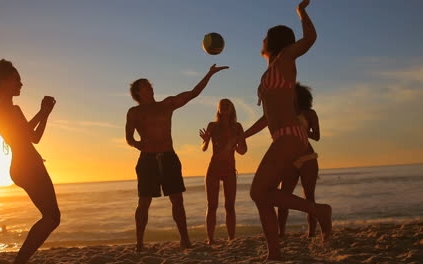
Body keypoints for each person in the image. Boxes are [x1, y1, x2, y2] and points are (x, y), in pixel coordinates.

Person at [242, 0, 332, 260]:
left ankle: (319, 211)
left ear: (273, 42)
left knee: (259, 191)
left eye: (265, 37)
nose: (261, 40)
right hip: (283, 136)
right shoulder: (271, 70)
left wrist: (301, 12)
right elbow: (267, 117)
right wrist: (242, 135)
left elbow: (310, 38)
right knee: (263, 194)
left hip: (291, 136)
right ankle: (275, 254)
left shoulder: (284, 59)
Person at [125, 64, 228, 251]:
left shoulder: (167, 104)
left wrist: (210, 73)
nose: (150, 87)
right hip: (147, 159)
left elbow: (193, 93)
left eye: (150, 85)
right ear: (138, 92)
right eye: (145, 86)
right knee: (144, 202)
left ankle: (185, 239)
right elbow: (129, 137)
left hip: (169, 157)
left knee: (177, 200)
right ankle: (139, 243)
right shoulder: (134, 112)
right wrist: (136, 144)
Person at [0, 59, 60, 264]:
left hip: (31, 163)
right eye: (16, 79)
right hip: (25, 166)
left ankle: (21, 260)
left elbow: (34, 138)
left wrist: (45, 115)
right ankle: (20, 261)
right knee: (52, 217)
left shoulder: (16, 110)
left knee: (52, 218)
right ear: (2, 82)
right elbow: (22, 133)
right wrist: (42, 112)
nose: (21, 83)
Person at [199, 99, 247, 244]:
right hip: (213, 169)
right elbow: (203, 148)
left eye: (228, 105)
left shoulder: (237, 127)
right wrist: (206, 141)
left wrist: (234, 145)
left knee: (230, 206)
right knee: (212, 205)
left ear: (232, 109)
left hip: (230, 170)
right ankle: (210, 239)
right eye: (222, 105)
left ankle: (231, 238)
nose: (225, 107)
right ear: (218, 109)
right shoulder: (212, 126)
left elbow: (243, 150)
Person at [277, 82, 320, 238]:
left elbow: (317, 136)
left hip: (307, 157)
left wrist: (299, 131)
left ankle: (311, 233)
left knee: (309, 197)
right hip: (289, 158)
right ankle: (280, 232)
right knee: (283, 196)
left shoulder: (310, 113)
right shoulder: (284, 112)